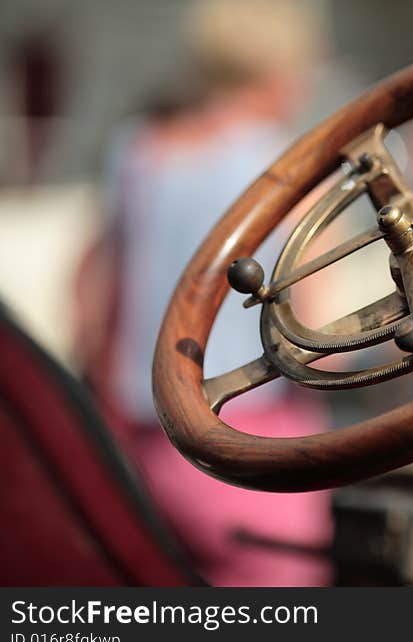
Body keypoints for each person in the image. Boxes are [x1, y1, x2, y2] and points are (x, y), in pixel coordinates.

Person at [76, 0, 340, 585]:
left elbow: (95, 301)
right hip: (254, 442)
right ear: (277, 71)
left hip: (145, 439)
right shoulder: (288, 164)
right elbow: (323, 330)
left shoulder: (140, 151)